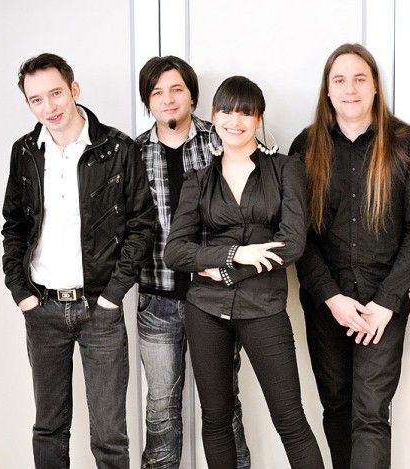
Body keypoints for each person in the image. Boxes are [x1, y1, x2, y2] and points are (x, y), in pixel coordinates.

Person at [1, 53, 156, 468]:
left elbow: (142, 225)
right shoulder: (25, 152)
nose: (48, 107)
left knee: (109, 436)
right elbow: (14, 225)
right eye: (36, 99)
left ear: (74, 89)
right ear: (28, 104)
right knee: (49, 429)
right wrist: (20, 291)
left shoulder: (117, 148)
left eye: (55, 93)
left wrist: (113, 295)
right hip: (42, 307)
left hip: (99, 309)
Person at [164, 76, 323, 469]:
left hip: (264, 307)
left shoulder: (285, 169)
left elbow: (292, 244)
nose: (234, 121)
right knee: (216, 418)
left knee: (290, 419)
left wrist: (227, 270)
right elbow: (175, 251)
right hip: (205, 309)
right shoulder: (199, 179)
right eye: (226, 111)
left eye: (245, 113)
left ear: (258, 118)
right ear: (213, 115)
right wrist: (236, 253)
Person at [290, 43, 410, 469]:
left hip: (381, 306)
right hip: (327, 304)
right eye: (339, 80)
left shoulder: (406, 143)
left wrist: (387, 301)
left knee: (370, 414)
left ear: (374, 87)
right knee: (336, 406)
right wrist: (331, 297)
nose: (349, 89)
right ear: (327, 90)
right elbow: (298, 234)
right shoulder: (306, 146)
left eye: (359, 79)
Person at [136, 55, 250, 469]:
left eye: (176, 89)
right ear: (148, 101)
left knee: (224, 406)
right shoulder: (134, 153)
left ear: (192, 95)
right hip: (157, 300)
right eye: (157, 92)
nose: (168, 99)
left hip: (216, 297)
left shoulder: (220, 141)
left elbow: (248, 210)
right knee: (161, 408)